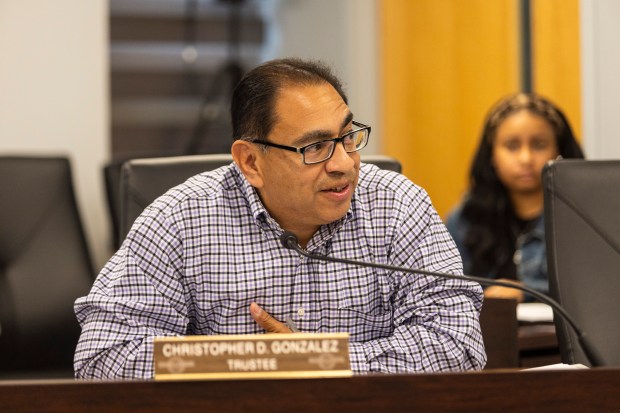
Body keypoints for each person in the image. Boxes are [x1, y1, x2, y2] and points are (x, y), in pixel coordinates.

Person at [74, 58, 486, 379]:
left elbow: (459, 345)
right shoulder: (180, 220)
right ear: (251, 161)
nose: (344, 164)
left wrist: (319, 361)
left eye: (347, 137)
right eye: (316, 147)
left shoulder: (397, 205)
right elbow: (103, 356)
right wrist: (258, 364)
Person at [446, 93, 584, 302]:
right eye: (512, 146)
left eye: (538, 145)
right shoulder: (464, 219)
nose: (525, 158)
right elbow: (446, 293)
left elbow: (597, 291)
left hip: (555, 335)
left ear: (559, 151)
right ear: (492, 155)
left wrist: (526, 292)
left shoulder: (585, 218)